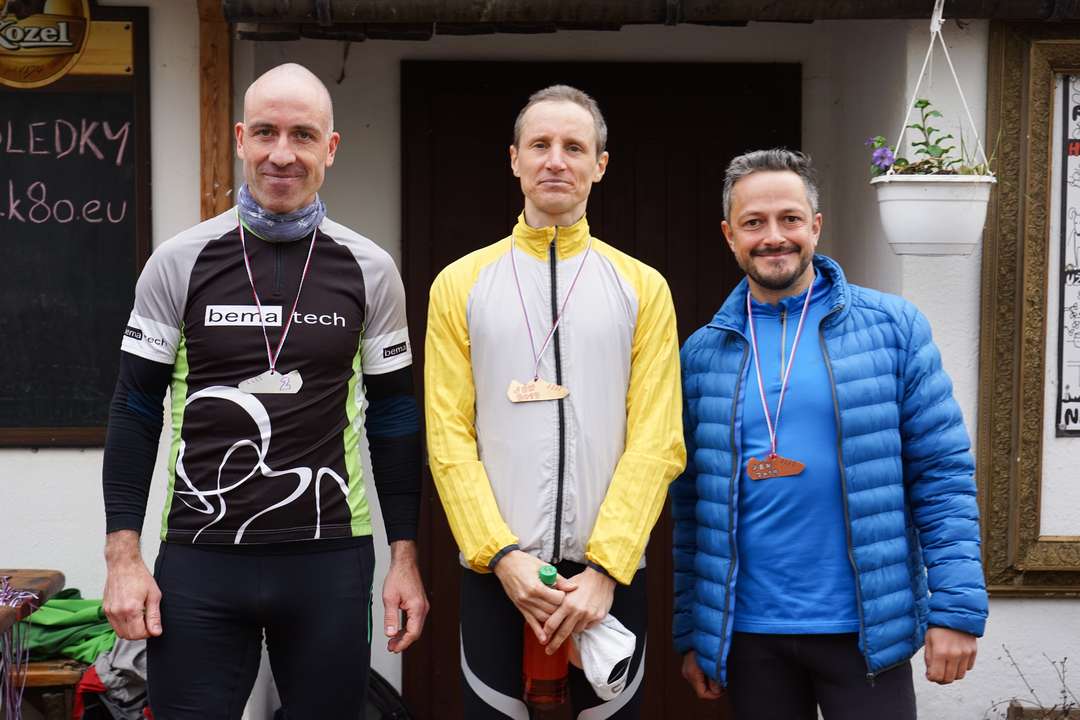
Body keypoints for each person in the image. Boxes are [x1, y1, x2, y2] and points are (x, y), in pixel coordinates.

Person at [100, 63, 428, 719]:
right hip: (200, 555)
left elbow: (394, 416)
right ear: (241, 139)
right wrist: (123, 558)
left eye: (302, 135)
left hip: (329, 558)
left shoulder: (371, 270)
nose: (282, 154)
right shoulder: (179, 261)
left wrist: (404, 557)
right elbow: (135, 409)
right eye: (267, 133)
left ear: (330, 148)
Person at [672, 148, 988, 719]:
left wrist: (956, 610)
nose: (774, 237)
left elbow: (942, 475)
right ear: (729, 235)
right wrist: (696, 630)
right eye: (754, 222)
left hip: (866, 629)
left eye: (790, 219)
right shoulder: (702, 353)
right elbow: (692, 506)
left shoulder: (892, 328)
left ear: (815, 226)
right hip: (751, 636)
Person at [424, 84, 685, 718]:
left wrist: (607, 568)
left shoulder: (643, 287)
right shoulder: (459, 284)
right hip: (498, 571)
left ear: (600, 165)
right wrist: (501, 556)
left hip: (606, 575)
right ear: (514, 159)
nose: (556, 160)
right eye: (540, 145)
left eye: (574, 147)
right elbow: (448, 435)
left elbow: (657, 439)